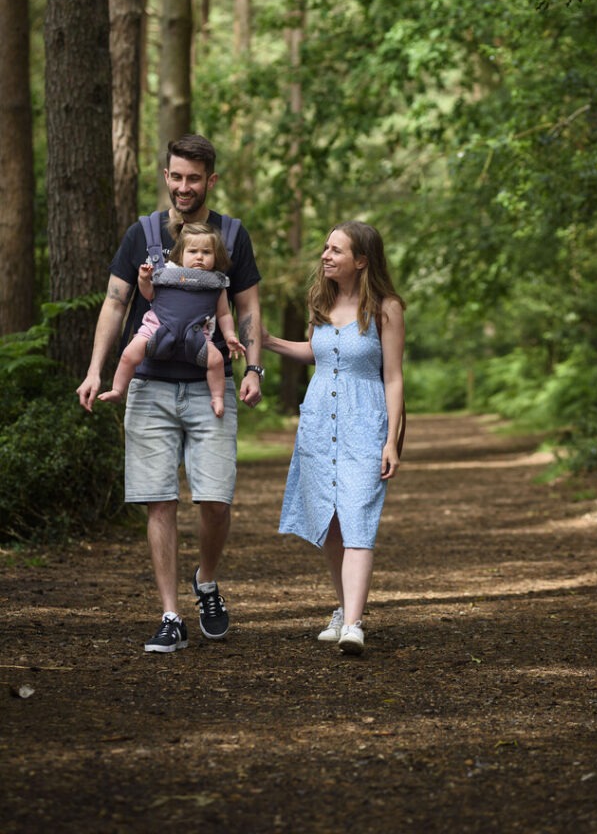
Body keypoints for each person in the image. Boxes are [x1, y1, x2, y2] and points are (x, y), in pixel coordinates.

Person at [77, 134, 264, 654]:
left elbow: (245, 307)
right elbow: (116, 304)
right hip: (150, 387)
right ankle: (170, 614)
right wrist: (97, 369)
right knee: (158, 500)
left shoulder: (231, 234)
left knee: (215, 500)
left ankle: (205, 581)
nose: (185, 187)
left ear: (211, 180)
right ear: (167, 176)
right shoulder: (142, 234)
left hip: (211, 387)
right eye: (176, 177)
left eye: (195, 178)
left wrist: (255, 369)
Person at [262, 221, 405, 656]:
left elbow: (394, 377)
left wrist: (392, 440)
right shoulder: (320, 301)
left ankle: (355, 624)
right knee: (332, 521)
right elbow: (317, 354)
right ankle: (344, 611)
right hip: (319, 422)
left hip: (366, 422)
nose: (325, 255)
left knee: (359, 516)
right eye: (325, 247)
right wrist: (267, 341)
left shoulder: (386, 308)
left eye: (335, 250)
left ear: (361, 260)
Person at [98, 222, 246, 418]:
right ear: (181, 254)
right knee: (129, 354)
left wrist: (229, 336)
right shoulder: (167, 272)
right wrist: (143, 279)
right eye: (193, 251)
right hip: (156, 329)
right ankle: (118, 390)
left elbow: (224, 314)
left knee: (216, 360)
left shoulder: (215, 283)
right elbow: (149, 295)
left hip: (196, 335)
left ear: (216, 256)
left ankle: (217, 397)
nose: (200, 257)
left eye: (207, 252)